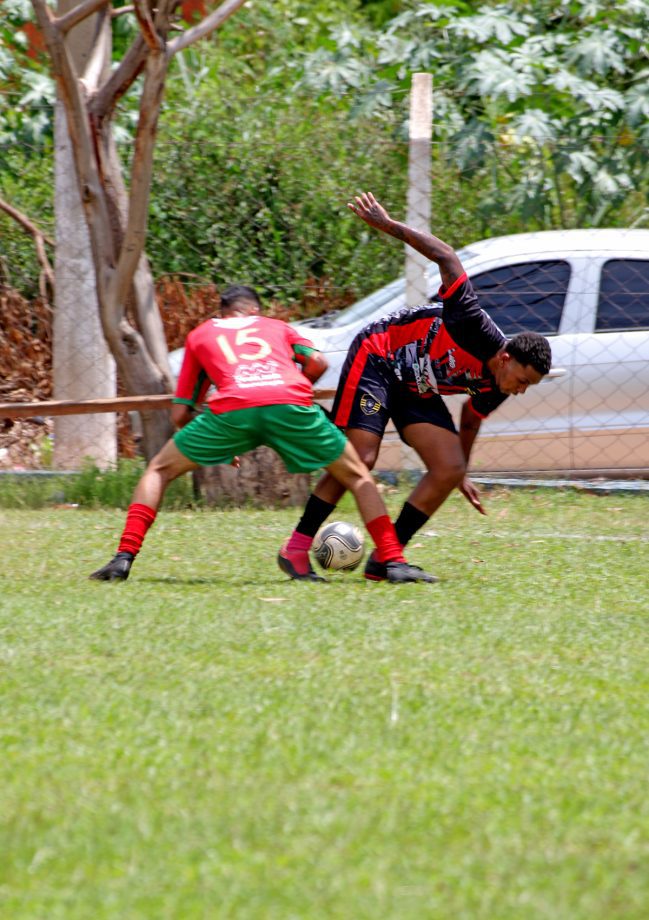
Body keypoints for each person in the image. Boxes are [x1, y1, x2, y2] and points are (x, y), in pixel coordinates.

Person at [285, 192, 553, 582]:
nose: (521, 390)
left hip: (415, 387)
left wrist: (460, 470)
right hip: (379, 355)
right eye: (523, 380)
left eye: (528, 386)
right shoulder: (472, 322)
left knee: (447, 468)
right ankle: (294, 549)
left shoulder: (500, 384)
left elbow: (471, 420)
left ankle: (385, 560)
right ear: (506, 358)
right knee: (361, 459)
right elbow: (447, 256)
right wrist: (388, 225)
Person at [89, 284, 435, 584]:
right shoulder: (276, 326)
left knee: (159, 470)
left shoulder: (201, 335)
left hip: (232, 411)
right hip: (289, 403)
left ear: (223, 315)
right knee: (358, 476)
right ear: (254, 311)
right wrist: (291, 393)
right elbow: (317, 362)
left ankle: (124, 557)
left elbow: (181, 412)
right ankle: (394, 561)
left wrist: (220, 445)